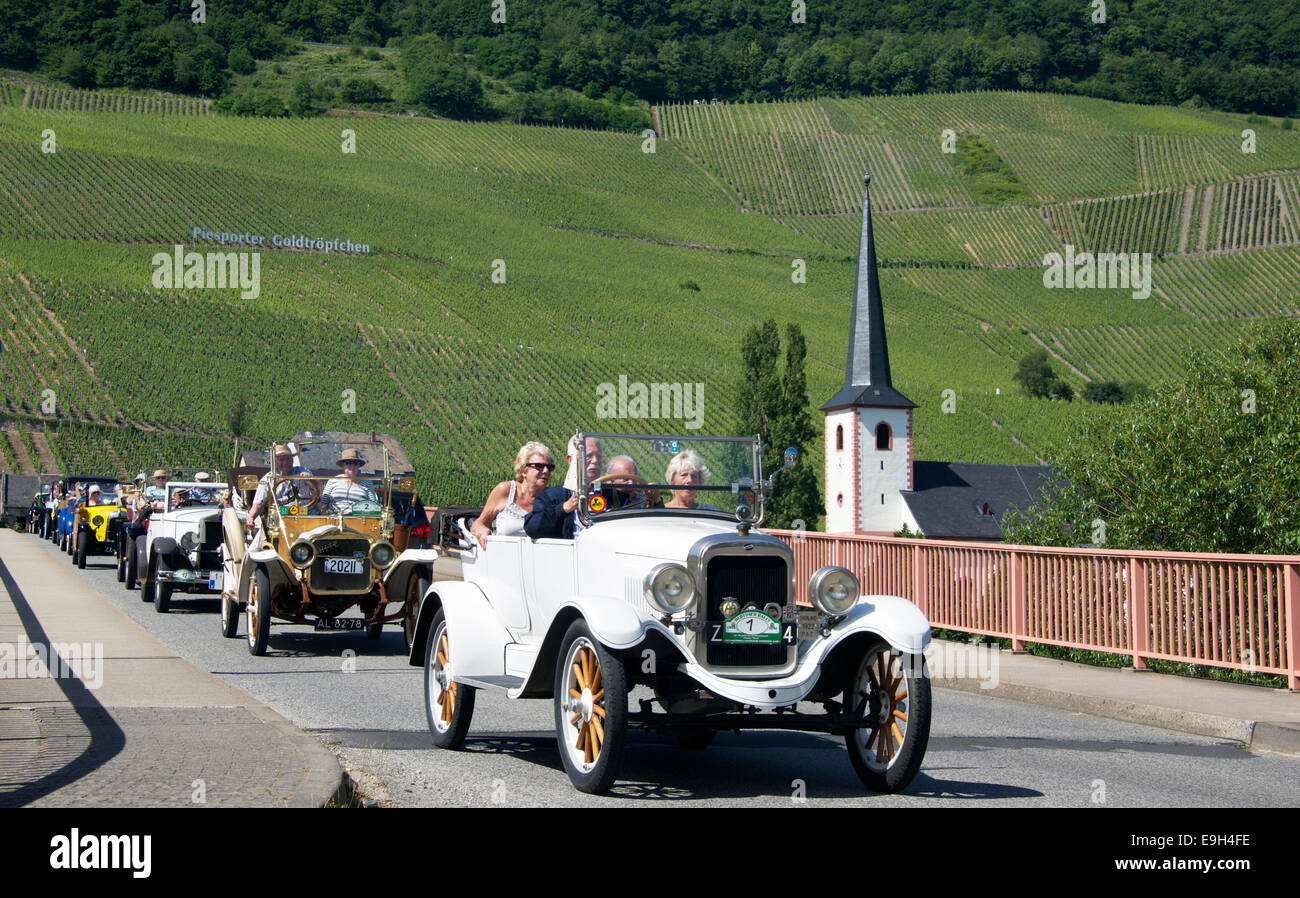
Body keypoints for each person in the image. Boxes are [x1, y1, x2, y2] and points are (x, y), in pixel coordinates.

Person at [471, 442, 554, 548]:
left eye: (549, 467)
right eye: (539, 466)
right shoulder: (506, 491)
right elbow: (478, 524)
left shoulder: (552, 498)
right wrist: (482, 530)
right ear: (523, 470)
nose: (546, 471)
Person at [526, 436, 603, 540]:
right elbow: (533, 528)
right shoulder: (551, 496)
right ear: (571, 460)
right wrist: (565, 507)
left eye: (599, 456)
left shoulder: (613, 495)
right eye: (588, 456)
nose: (595, 461)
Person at [246, 444, 314, 529]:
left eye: (288, 459)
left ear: (292, 460)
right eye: (282, 460)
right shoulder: (268, 479)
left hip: (306, 515)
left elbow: (316, 486)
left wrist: (309, 478)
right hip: (281, 518)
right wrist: (251, 517)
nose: (285, 463)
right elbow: (258, 504)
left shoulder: (302, 471)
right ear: (275, 461)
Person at [321, 448, 378, 514]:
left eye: (355, 463)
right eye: (348, 463)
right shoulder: (333, 481)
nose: (352, 466)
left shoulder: (367, 483)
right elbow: (323, 504)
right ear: (342, 465)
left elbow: (374, 506)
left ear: (359, 466)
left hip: (358, 520)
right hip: (334, 518)